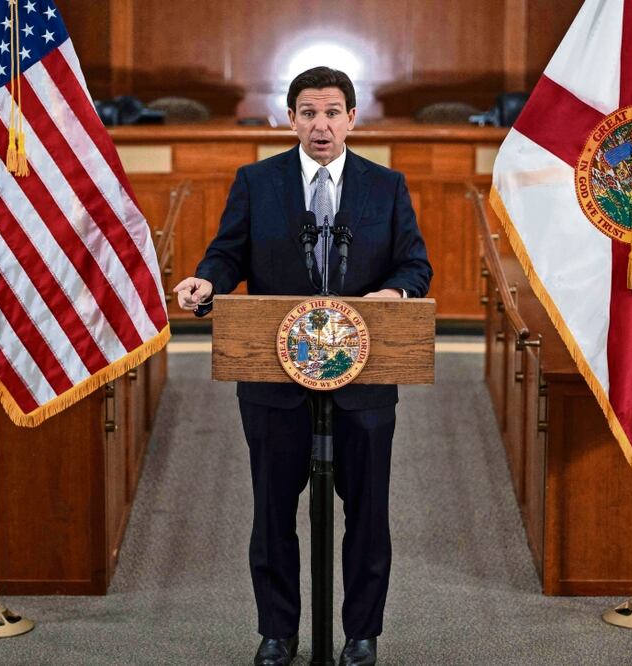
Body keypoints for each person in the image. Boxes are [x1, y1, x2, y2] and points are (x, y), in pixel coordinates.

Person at [174, 66, 432, 666]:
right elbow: (226, 253)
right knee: (271, 512)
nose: (321, 125)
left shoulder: (385, 186)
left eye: (332, 112)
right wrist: (204, 280)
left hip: (363, 381)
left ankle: (362, 634)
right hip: (273, 381)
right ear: (289, 118)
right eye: (309, 113)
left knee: (368, 515)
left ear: (351, 118)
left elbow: (414, 265)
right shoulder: (257, 182)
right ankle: (277, 632)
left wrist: (393, 297)